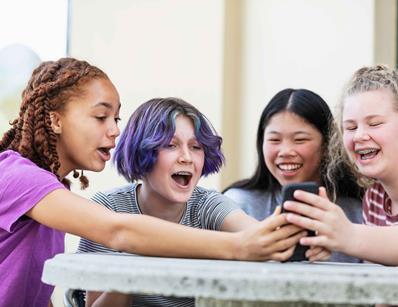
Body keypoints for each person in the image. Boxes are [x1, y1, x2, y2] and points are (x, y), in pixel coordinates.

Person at [0, 58, 305, 307]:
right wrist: (239, 247)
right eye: (101, 117)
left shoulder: (49, 191)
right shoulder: (18, 176)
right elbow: (117, 230)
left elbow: (30, 292)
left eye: (116, 119)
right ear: (55, 120)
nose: (114, 131)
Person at [79, 97, 292, 306]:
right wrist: (131, 269)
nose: (187, 157)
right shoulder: (108, 209)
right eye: (171, 145)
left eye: (196, 147)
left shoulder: (207, 206)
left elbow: (259, 236)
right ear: (140, 150)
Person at [284, 65, 398, 267]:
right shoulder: (375, 197)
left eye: (374, 123)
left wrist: (347, 235)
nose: (359, 136)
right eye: (350, 127)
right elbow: (381, 289)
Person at [223, 88, 363, 263]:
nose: (285, 151)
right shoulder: (236, 204)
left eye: (300, 140)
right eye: (274, 140)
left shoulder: (359, 211)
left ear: (328, 145)